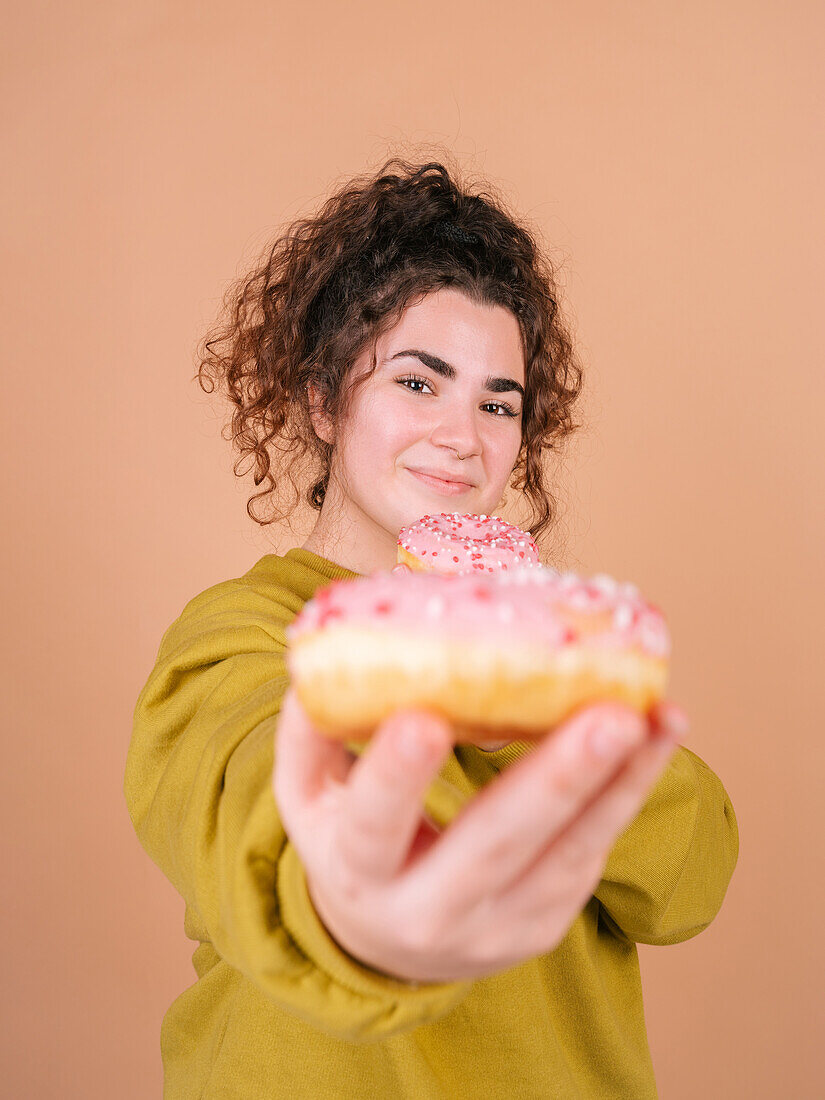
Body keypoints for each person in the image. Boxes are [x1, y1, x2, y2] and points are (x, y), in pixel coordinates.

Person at [124, 157, 739, 1098]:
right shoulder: (240, 637)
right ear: (325, 401)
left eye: (499, 402)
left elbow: (689, 879)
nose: (466, 436)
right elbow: (251, 797)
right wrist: (358, 911)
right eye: (419, 383)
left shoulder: (555, 646)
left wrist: (522, 719)